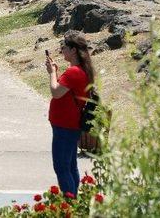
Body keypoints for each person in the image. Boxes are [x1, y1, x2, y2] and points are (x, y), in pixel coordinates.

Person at [45, 31, 94, 196]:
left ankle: (69, 204)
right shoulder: (82, 70)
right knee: (70, 165)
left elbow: (56, 92)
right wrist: (56, 73)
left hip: (64, 125)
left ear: (73, 50)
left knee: (61, 167)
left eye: (64, 47)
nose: (62, 51)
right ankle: (74, 200)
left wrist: (52, 73)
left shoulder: (73, 72)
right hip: (71, 124)